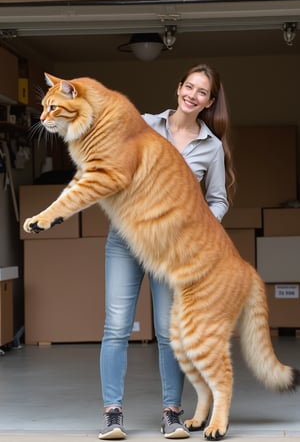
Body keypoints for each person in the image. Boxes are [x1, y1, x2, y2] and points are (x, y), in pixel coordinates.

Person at [98, 63, 236, 440]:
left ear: (209, 102)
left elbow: (218, 200)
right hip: (125, 241)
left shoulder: (210, 147)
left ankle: (171, 414)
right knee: (116, 327)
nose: (192, 95)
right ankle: (113, 415)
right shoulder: (144, 123)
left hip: (170, 251)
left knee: (168, 331)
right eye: (188, 87)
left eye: (201, 92)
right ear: (178, 89)